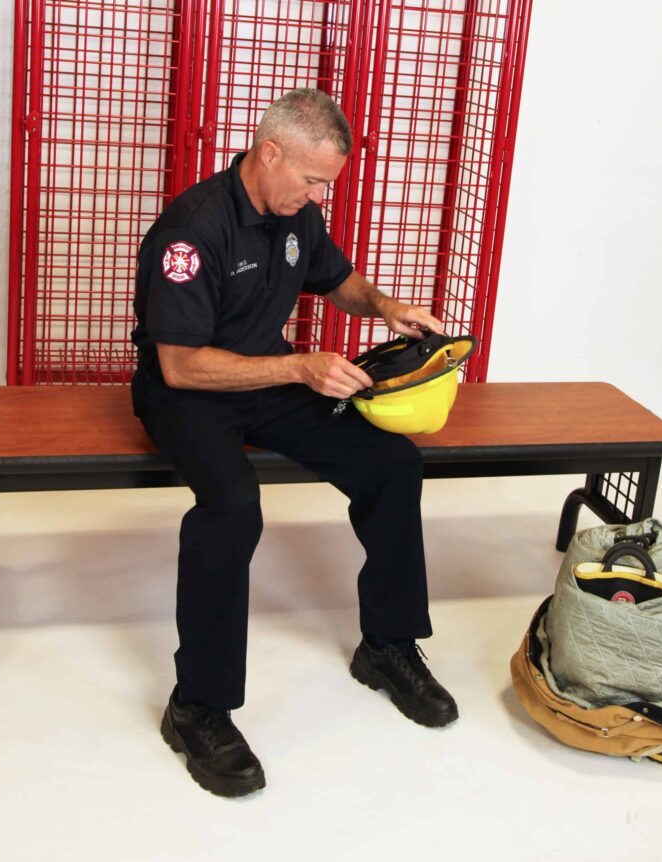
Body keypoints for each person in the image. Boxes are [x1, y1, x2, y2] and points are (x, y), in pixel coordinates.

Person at [130, 88, 458, 798]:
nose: (317, 195)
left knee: (392, 463)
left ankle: (388, 645)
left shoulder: (296, 214)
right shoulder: (194, 229)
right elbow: (181, 364)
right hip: (189, 392)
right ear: (268, 153)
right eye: (312, 179)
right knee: (232, 507)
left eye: (325, 184)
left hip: (268, 380)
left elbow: (339, 281)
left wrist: (386, 306)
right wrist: (301, 367)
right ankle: (197, 708)